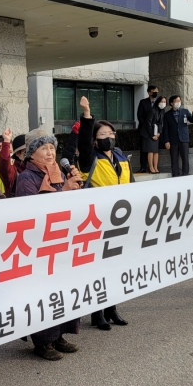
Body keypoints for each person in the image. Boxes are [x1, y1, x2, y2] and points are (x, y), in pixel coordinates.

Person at [15, 128, 82, 360]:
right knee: (42, 293)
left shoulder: (60, 173)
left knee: (62, 290)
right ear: (31, 153)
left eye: (52, 147)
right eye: (43, 148)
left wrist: (74, 188)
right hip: (39, 246)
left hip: (62, 241)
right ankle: (43, 342)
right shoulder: (26, 178)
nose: (50, 152)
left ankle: (59, 334)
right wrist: (63, 191)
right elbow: (31, 213)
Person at [77, 95, 132, 330]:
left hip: (120, 219)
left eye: (111, 134)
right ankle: (96, 313)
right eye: (102, 136)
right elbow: (82, 143)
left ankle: (112, 309)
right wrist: (87, 115)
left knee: (115, 268)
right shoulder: (90, 158)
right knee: (97, 269)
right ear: (94, 140)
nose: (108, 138)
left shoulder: (120, 156)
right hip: (97, 221)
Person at [163, 96, 193, 177]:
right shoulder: (167, 115)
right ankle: (175, 175)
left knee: (185, 159)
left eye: (179, 100)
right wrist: (166, 141)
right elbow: (165, 129)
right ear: (172, 103)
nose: (178, 102)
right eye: (176, 101)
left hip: (184, 139)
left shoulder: (185, 111)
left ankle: (185, 174)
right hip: (173, 140)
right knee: (174, 159)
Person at [136, 85, 159, 173]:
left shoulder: (159, 103)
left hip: (155, 130)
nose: (155, 93)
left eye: (157, 91)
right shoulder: (143, 102)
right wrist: (146, 126)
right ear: (149, 92)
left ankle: (154, 167)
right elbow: (140, 115)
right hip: (144, 130)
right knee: (144, 149)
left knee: (154, 150)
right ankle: (143, 167)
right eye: (154, 91)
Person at [142, 95, 166, 173]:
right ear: (158, 102)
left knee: (156, 151)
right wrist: (152, 135)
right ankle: (151, 167)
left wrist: (159, 133)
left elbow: (160, 123)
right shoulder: (152, 110)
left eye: (164, 102)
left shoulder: (162, 111)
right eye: (162, 101)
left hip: (156, 132)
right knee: (150, 150)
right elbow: (148, 123)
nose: (163, 103)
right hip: (148, 133)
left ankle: (156, 167)